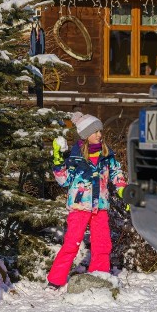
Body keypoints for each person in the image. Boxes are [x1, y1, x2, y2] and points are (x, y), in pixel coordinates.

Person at [46, 112, 126, 291]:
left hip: (101, 206)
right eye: (95, 131)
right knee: (72, 243)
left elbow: (116, 173)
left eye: (100, 131)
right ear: (85, 134)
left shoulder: (107, 155)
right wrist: (58, 159)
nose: (99, 134)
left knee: (102, 243)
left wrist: (123, 190)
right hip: (79, 206)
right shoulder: (74, 158)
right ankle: (55, 280)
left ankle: (99, 276)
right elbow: (63, 180)